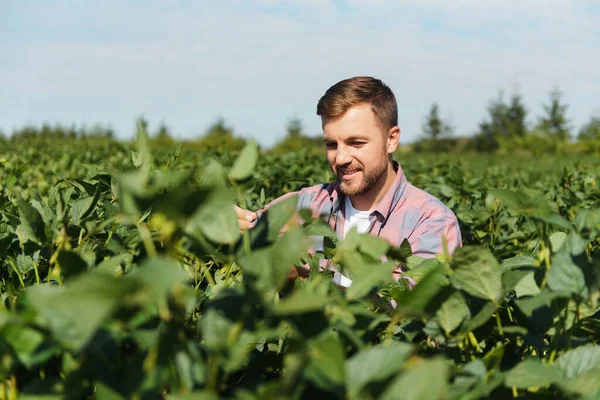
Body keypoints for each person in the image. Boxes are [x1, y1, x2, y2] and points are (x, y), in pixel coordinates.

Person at [235, 76, 462, 286]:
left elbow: (406, 313)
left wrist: (299, 278)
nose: (341, 158)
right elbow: (250, 235)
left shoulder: (430, 222)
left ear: (391, 140)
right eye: (331, 144)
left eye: (356, 143)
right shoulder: (306, 204)